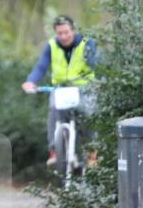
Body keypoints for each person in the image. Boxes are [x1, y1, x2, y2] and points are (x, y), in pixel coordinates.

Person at [21, 15, 98, 166]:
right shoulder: (52, 46)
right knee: (54, 112)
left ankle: (92, 153)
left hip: (84, 88)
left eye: (66, 32)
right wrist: (31, 81)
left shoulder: (86, 43)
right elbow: (41, 67)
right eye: (59, 33)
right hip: (61, 88)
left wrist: (100, 81)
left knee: (89, 116)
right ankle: (54, 151)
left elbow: (95, 63)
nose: (63, 36)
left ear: (73, 31)